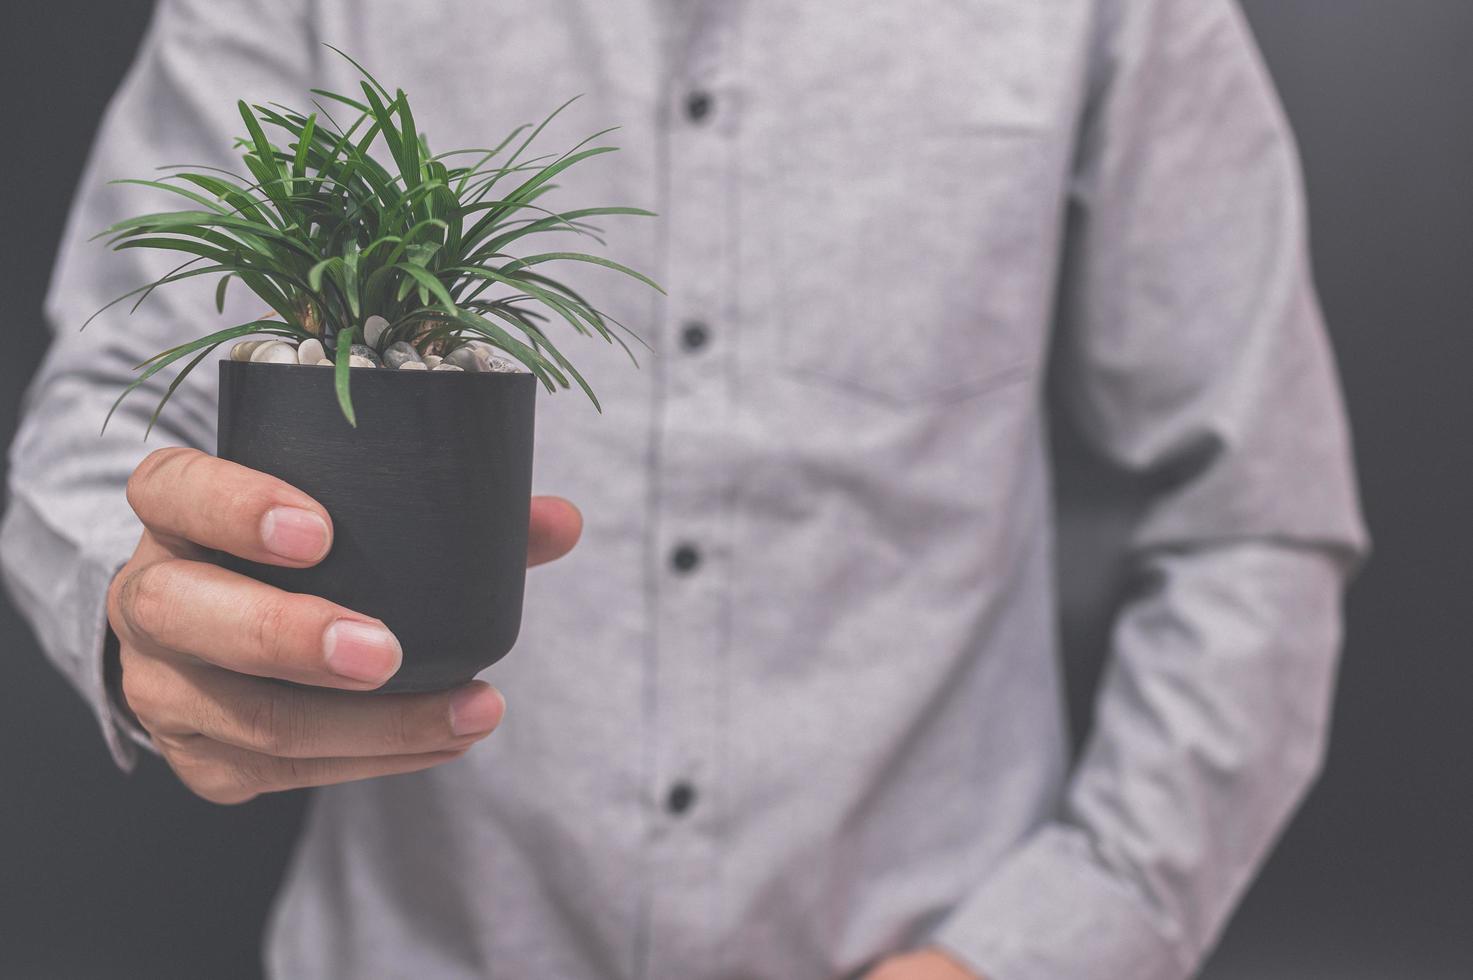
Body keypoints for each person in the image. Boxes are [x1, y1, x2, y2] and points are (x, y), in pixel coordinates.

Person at [0, 1, 1368, 978]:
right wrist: (160, 625)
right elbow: (103, 408)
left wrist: (1049, 944)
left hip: (916, 929)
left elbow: (1257, 516)